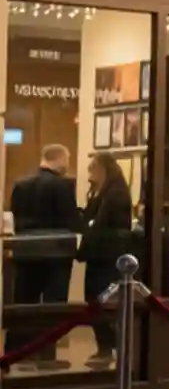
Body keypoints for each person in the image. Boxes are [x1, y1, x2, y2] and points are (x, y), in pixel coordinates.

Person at [6, 145, 82, 368]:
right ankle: (46, 354)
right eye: (67, 159)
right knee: (53, 305)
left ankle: (16, 351)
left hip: (26, 252)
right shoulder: (63, 186)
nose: (67, 164)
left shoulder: (21, 184)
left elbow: (16, 218)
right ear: (59, 159)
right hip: (55, 253)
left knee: (24, 302)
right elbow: (70, 221)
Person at [78, 154, 135, 369]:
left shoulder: (115, 193)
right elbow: (89, 218)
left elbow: (99, 223)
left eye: (92, 169)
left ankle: (110, 346)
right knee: (93, 298)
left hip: (108, 255)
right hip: (99, 254)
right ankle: (105, 345)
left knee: (102, 299)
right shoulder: (102, 191)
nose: (90, 174)